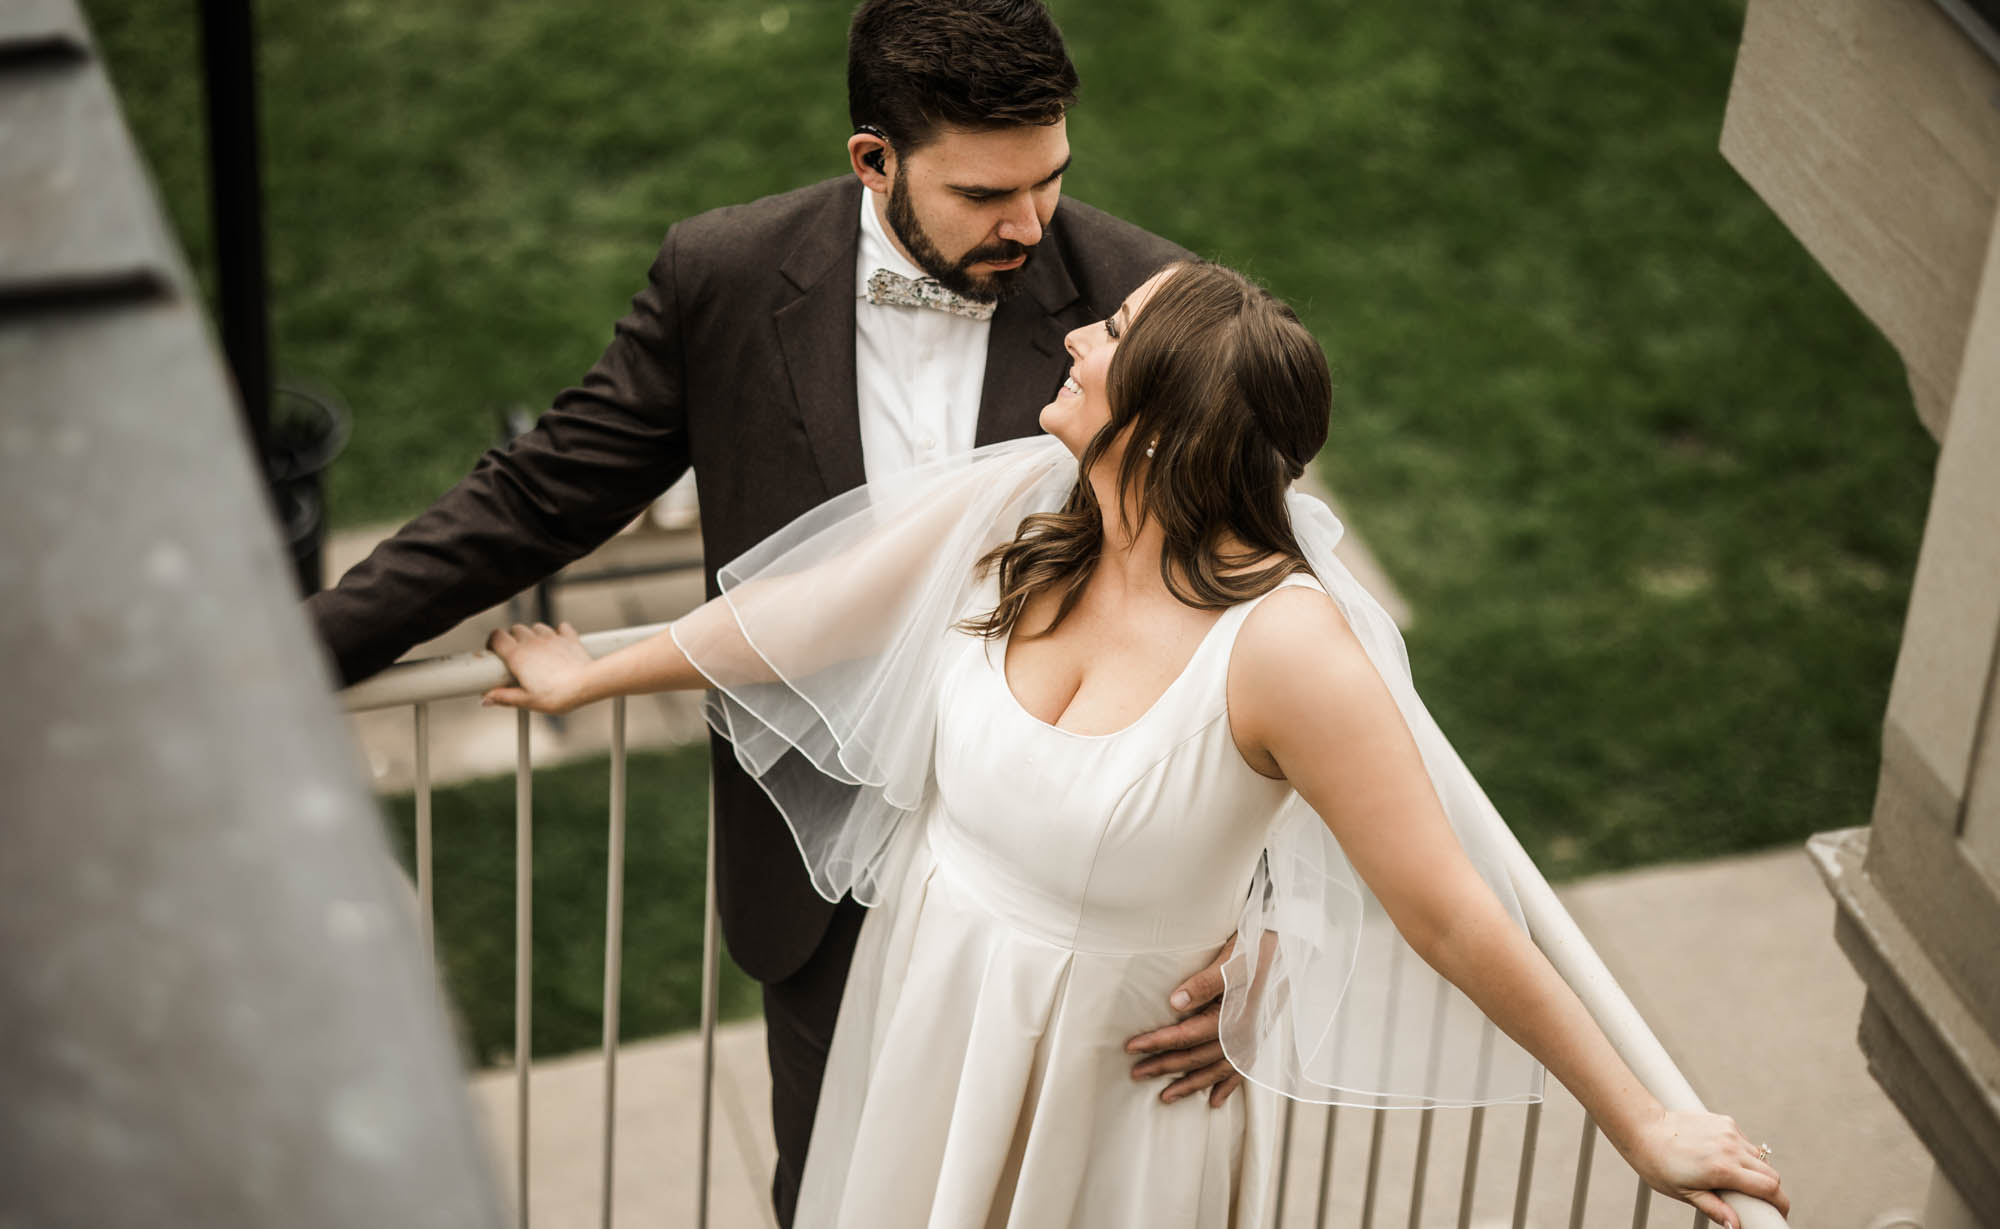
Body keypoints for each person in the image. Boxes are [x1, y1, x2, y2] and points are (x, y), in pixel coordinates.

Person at [483, 261, 1791, 1228]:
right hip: (932, 1020)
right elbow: (824, 604)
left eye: (1108, 333)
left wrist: (1646, 1122)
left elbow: (1450, 909)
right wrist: (594, 667)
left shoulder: (1286, 651)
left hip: (1107, 1115)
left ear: (1159, 427)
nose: (1071, 334)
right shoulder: (1030, 500)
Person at [304, 0, 1234, 1226]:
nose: (1029, 224)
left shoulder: (1146, 309)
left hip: (1070, 883)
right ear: (872, 159)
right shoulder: (725, 275)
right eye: (984, 193)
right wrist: (282, 662)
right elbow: (536, 496)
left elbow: (1254, 621)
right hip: (821, 896)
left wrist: (1258, 931)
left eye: (1050, 180)